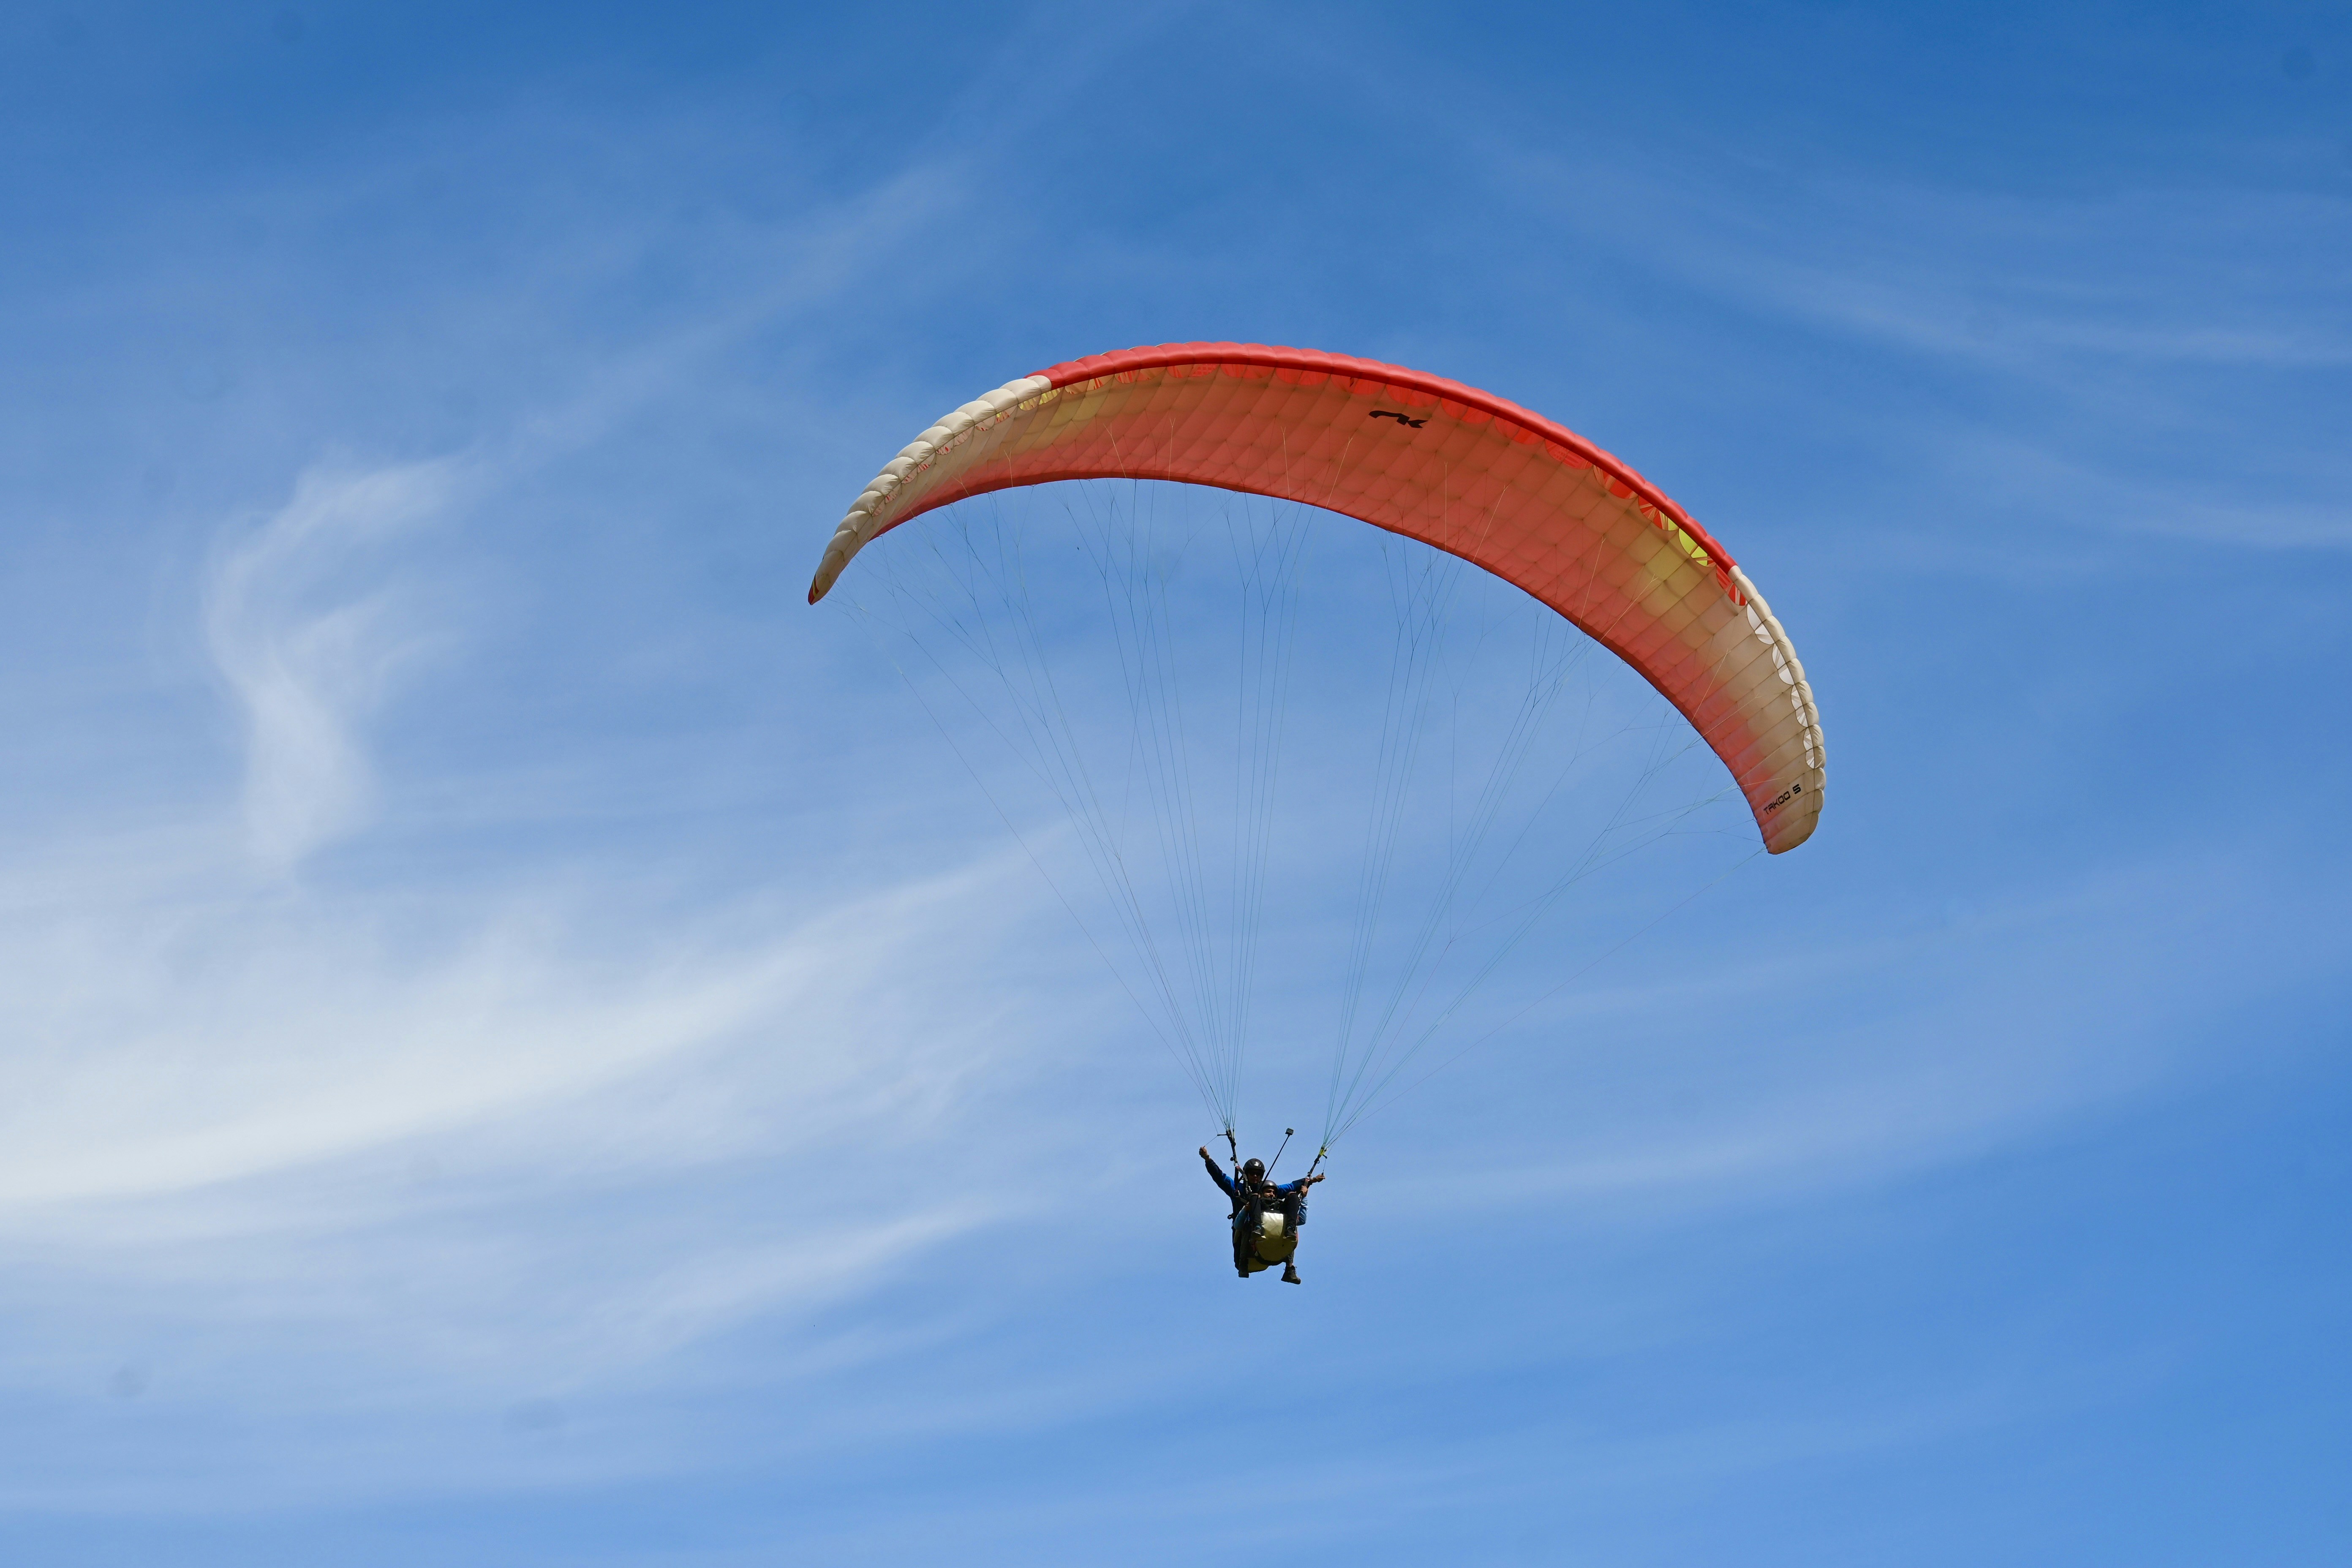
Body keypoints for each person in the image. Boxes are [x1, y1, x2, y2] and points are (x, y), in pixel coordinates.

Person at [1200, 1145, 1326, 1283]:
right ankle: (1248, 1252)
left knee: (1292, 1198)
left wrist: (1311, 1181)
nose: (1255, 1176)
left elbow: (1291, 1187)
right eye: (1252, 1173)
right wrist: (1208, 1159)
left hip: (1272, 1234)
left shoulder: (1269, 1189)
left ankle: (1289, 1267)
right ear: (1247, 1174)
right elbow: (1220, 1177)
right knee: (1254, 1198)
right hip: (1244, 1231)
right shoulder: (1238, 1189)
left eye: (1258, 1174)